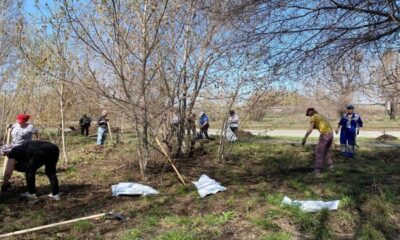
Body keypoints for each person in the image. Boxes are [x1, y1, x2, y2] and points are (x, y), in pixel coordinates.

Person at [302, 108, 334, 174]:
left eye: (309, 114)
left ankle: (317, 170)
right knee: (325, 151)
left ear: (311, 111)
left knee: (319, 151)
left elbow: (310, 129)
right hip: (331, 134)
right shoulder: (320, 116)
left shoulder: (313, 117)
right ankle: (331, 166)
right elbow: (320, 125)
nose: (309, 116)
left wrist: (304, 138)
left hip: (324, 134)